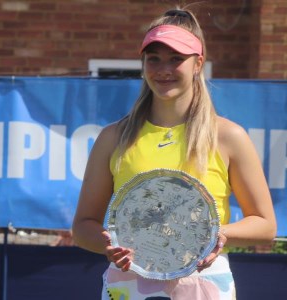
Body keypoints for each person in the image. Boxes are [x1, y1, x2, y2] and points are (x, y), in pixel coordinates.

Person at [71, 8, 276, 300]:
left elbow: (265, 224)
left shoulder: (229, 136)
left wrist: (218, 234)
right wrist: (109, 246)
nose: (163, 69)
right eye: (153, 58)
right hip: (129, 283)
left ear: (198, 63)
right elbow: (82, 226)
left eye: (176, 59)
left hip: (204, 283)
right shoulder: (113, 138)